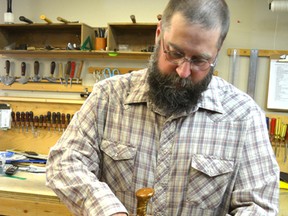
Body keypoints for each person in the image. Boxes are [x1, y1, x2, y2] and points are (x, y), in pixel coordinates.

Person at [46, 0, 280, 215]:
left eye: (199, 60)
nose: (183, 71)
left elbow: (259, 207)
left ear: (216, 52)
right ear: (159, 35)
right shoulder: (108, 96)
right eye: (175, 53)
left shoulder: (244, 116)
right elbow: (65, 162)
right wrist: (107, 210)